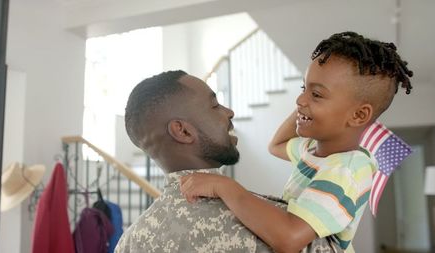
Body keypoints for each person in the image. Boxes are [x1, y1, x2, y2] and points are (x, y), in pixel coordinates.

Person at [180, 31, 414, 253]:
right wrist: (308, 105)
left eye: (317, 94)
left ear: (358, 115)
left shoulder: (348, 169)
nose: (300, 99)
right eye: (304, 87)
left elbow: (289, 237)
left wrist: (225, 186)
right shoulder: (312, 151)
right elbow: (276, 145)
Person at [115, 70, 341, 252]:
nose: (229, 112)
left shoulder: (129, 244)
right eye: (215, 105)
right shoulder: (284, 229)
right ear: (183, 131)